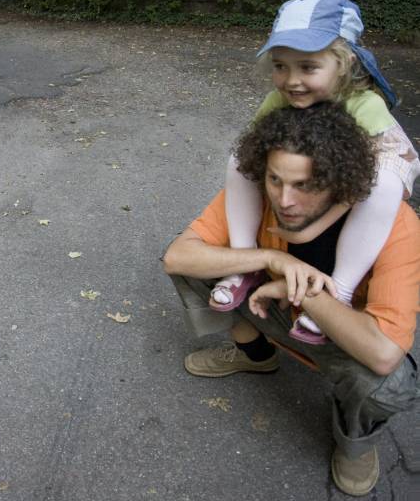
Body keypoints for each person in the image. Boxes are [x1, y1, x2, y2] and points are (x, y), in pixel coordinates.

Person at [163, 103, 419, 497]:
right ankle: (255, 354)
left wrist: (301, 292)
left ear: (341, 184)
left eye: (305, 185)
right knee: (198, 265)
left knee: (389, 384)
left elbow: (384, 353)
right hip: (268, 306)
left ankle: (355, 442)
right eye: (274, 179)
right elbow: (178, 256)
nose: (284, 200)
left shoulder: (398, 226)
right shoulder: (256, 197)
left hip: (339, 334)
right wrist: (270, 258)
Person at [209, 0, 420, 344]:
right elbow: (256, 150)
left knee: (382, 183)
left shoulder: (363, 104)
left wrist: (313, 229)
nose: (292, 80)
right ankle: (244, 263)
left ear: (345, 63)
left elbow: (368, 174)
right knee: (238, 158)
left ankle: (341, 289)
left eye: (308, 67)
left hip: (377, 169)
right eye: (281, 66)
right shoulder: (281, 99)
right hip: (322, 180)